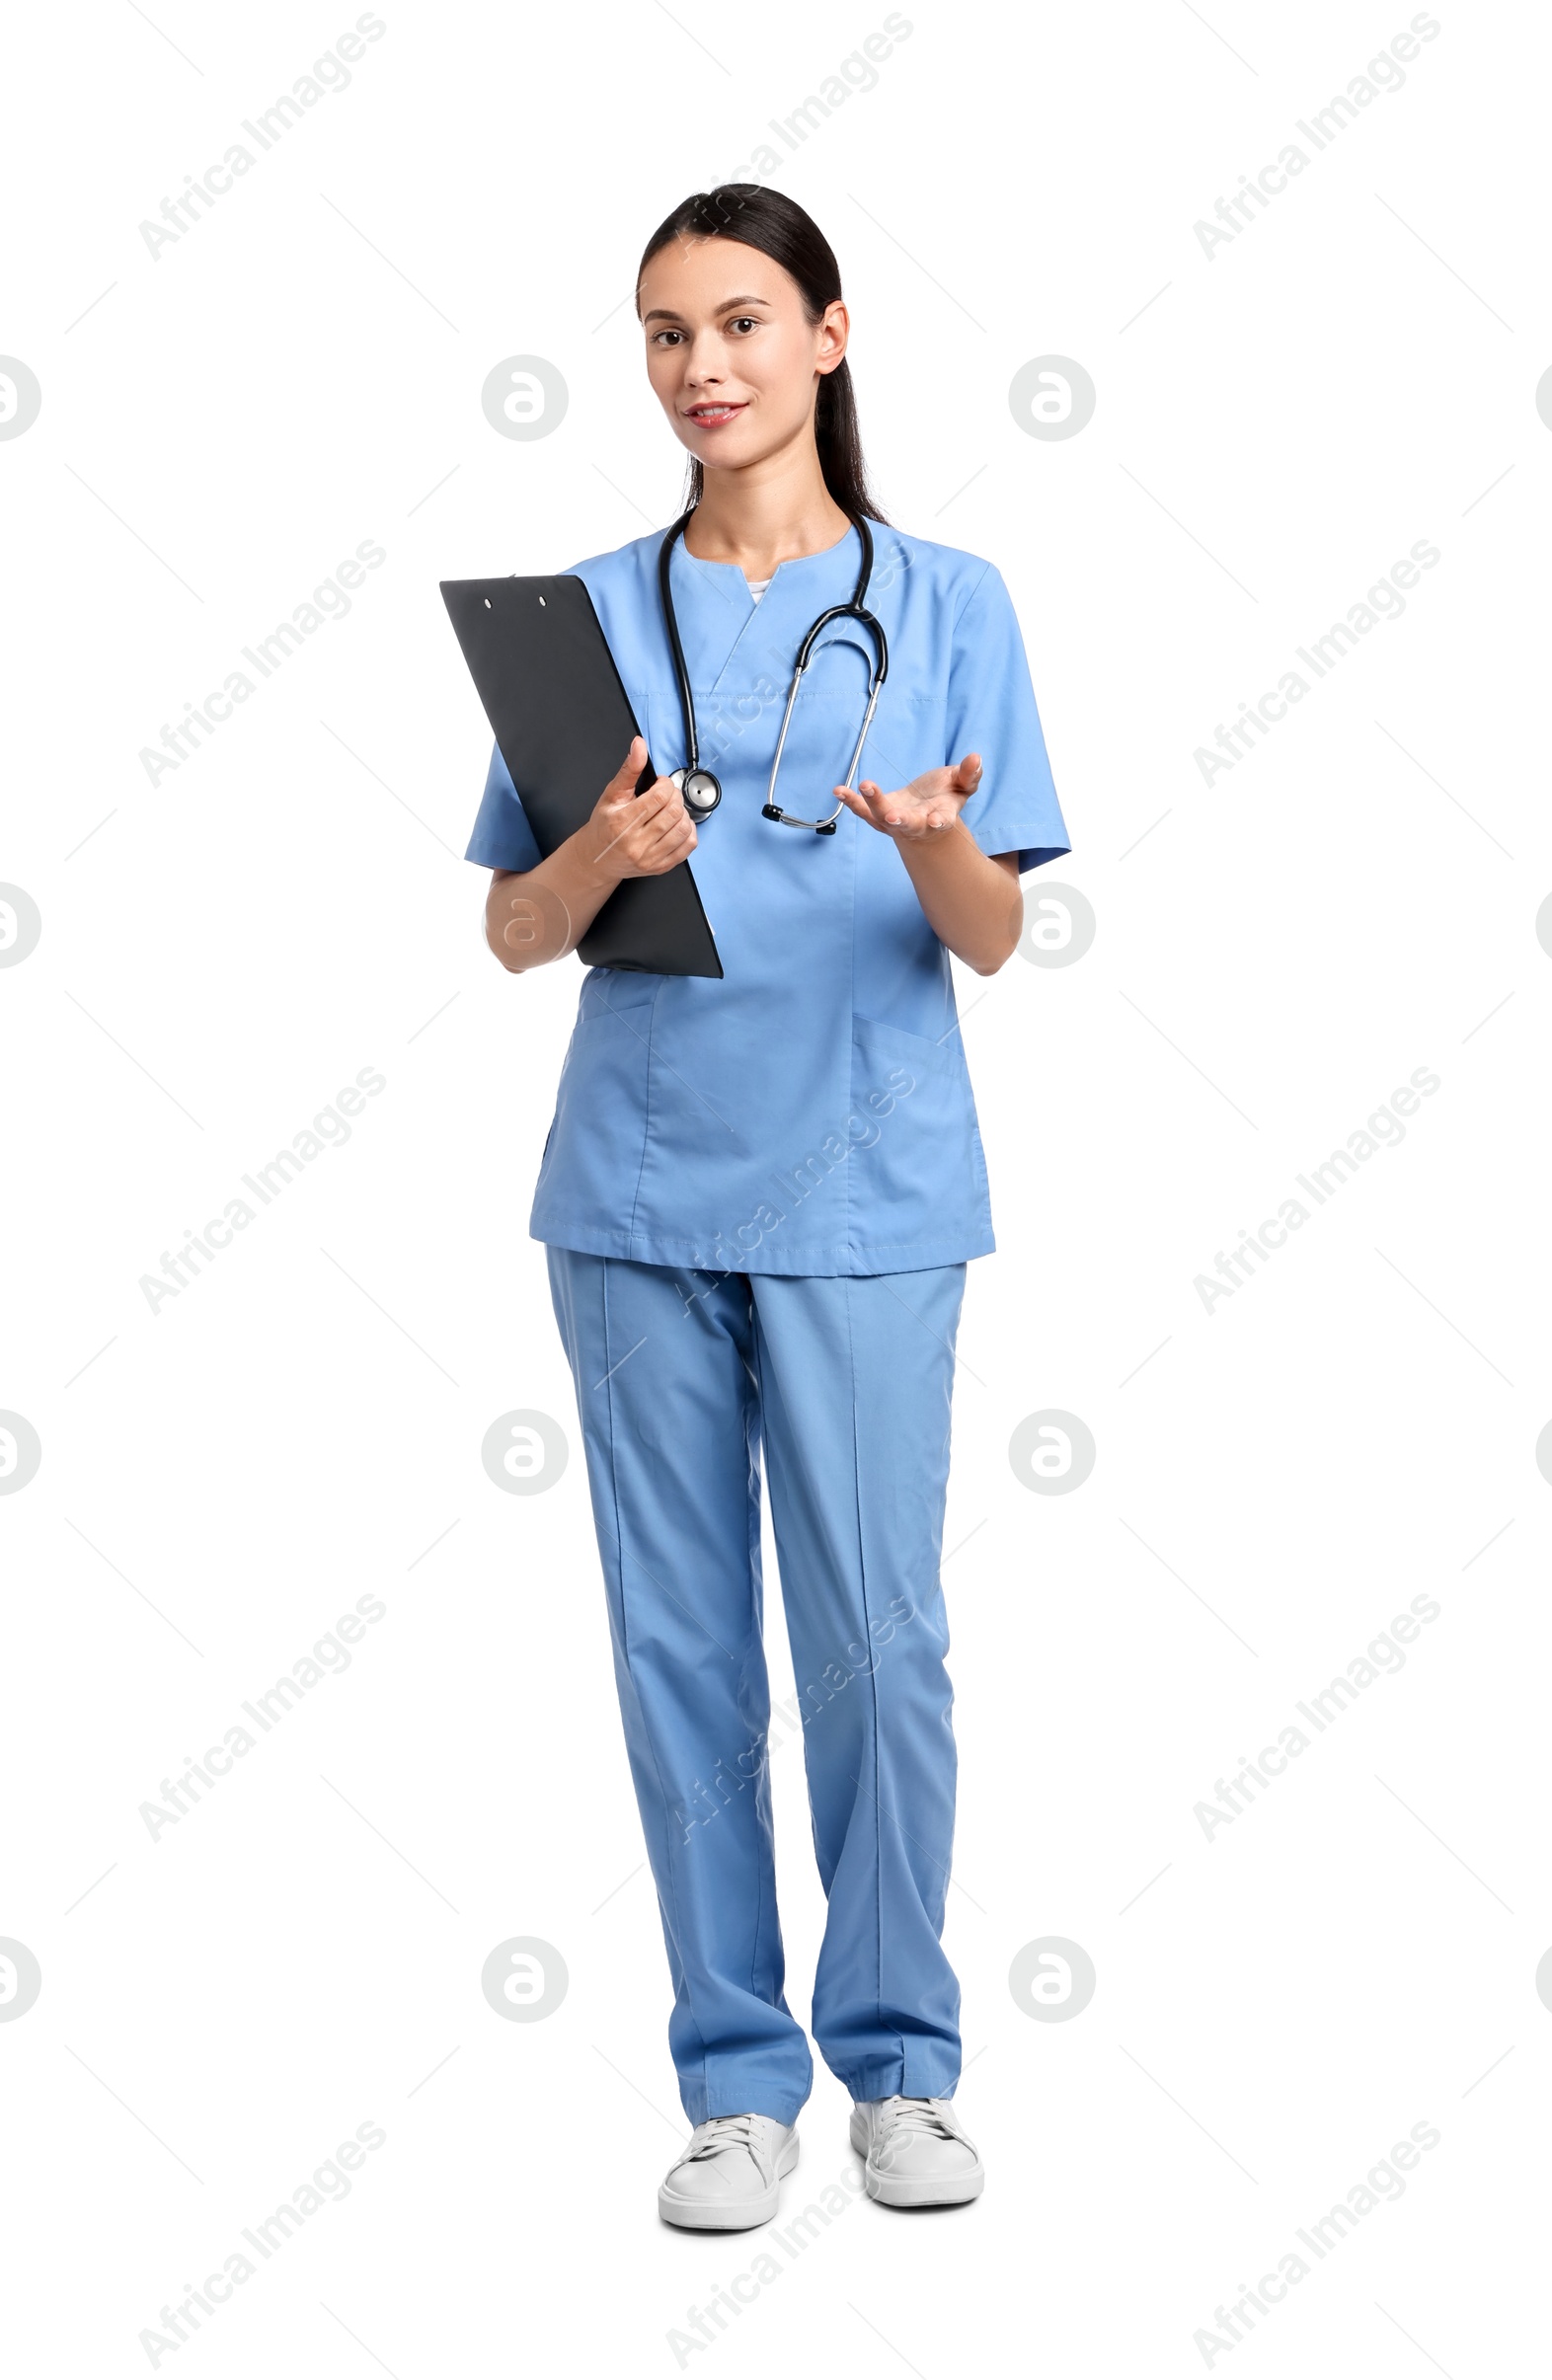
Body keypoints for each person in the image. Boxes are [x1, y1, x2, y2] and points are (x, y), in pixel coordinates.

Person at [464, 185, 1069, 2228]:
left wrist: (924, 847)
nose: (698, 367)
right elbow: (513, 932)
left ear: (827, 336)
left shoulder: (956, 598)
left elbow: (990, 937)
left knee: (879, 1640)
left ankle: (898, 2064)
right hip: (633, 1189)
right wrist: (597, 852)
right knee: (681, 1655)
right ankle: (733, 2081)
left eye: (737, 322)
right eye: (660, 334)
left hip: (871, 1183)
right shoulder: (588, 611)